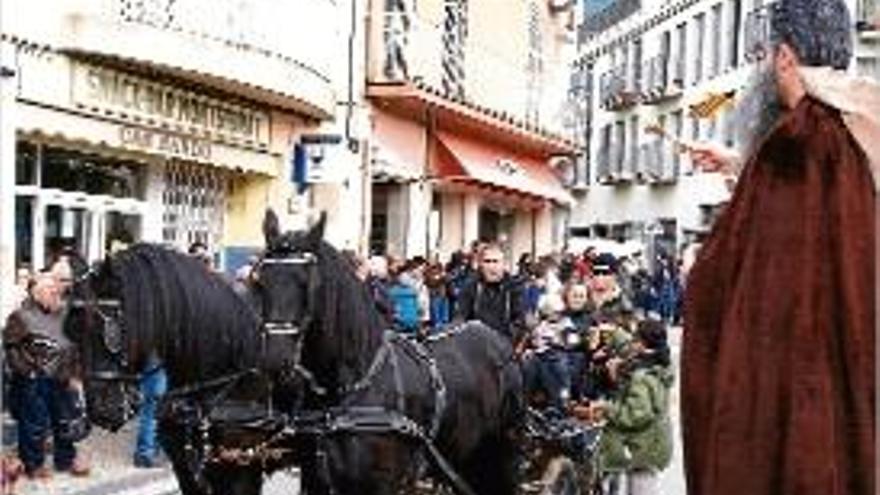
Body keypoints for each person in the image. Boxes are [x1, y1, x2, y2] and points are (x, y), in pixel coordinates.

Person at [682, 1, 877, 494]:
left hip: (794, 431)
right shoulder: (855, 133)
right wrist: (738, 165)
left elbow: (733, 286)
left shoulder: (796, 146)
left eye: (767, 53)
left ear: (785, 57)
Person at [3, 272, 90, 479]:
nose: (56, 295)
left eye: (56, 291)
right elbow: (10, 348)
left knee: (65, 420)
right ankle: (33, 465)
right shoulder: (21, 316)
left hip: (63, 376)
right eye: (51, 291)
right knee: (34, 424)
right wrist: (28, 372)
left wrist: (76, 374)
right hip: (34, 380)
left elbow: (74, 346)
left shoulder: (63, 313)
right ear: (37, 293)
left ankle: (65, 460)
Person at [592, 319, 674, 495]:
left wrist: (605, 408)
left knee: (640, 488)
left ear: (642, 342)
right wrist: (614, 333)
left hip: (643, 448)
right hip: (650, 442)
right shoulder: (655, 357)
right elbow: (627, 346)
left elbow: (635, 415)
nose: (632, 341)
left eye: (636, 337)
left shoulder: (642, 376)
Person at [452, 243, 526, 343]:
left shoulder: (514, 288)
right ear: (481, 264)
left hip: (503, 347)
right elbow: (460, 318)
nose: (492, 266)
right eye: (487, 261)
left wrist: (505, 339)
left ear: (504, 264)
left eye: (496, 261)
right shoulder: (470, 287)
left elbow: (520, 321)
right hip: (475, 345)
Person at [133, 354, 167, 468]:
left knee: (150, 411)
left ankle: (146, 452)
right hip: (157, 365)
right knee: (154, 411)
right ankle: (146, 454)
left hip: (150, 366)